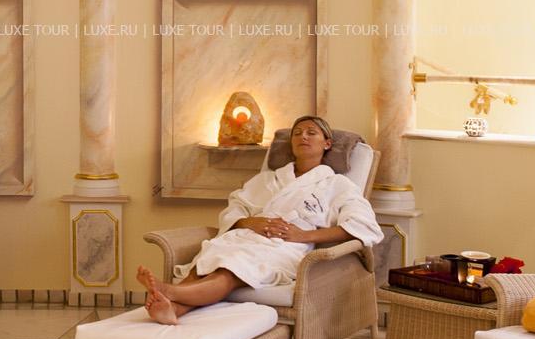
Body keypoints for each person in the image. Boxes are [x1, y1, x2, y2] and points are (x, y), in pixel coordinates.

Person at [137, 114, 382, 325]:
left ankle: (169, 291)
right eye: (297, 133)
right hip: (246, 235)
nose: (303, 137)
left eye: (311, 132)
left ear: (327, 143)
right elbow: (235, 209)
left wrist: (304, 235)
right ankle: (173, 309)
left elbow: (362, 225)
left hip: (284, 246)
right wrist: (250, 223)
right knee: (209, 259)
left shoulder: (337, 184)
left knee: (230, 268)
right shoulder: (269, 179)